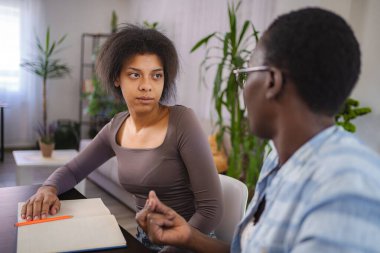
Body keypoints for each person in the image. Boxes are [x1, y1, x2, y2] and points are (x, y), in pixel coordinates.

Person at [136, 7, 380, 253]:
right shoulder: (278, 159)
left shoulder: (345, 190)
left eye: (246, 74)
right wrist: (189, 237)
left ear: (272, 81)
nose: (243, 90)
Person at [20, 25, 223, 252]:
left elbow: (210, 211)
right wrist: (48, 189)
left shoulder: (182, 121)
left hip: (191, 242)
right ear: (117, 78)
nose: (146, 86)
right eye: (135, 74)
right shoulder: (116, 127)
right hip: (143, 240)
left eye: (156, 75)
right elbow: (73, 170)